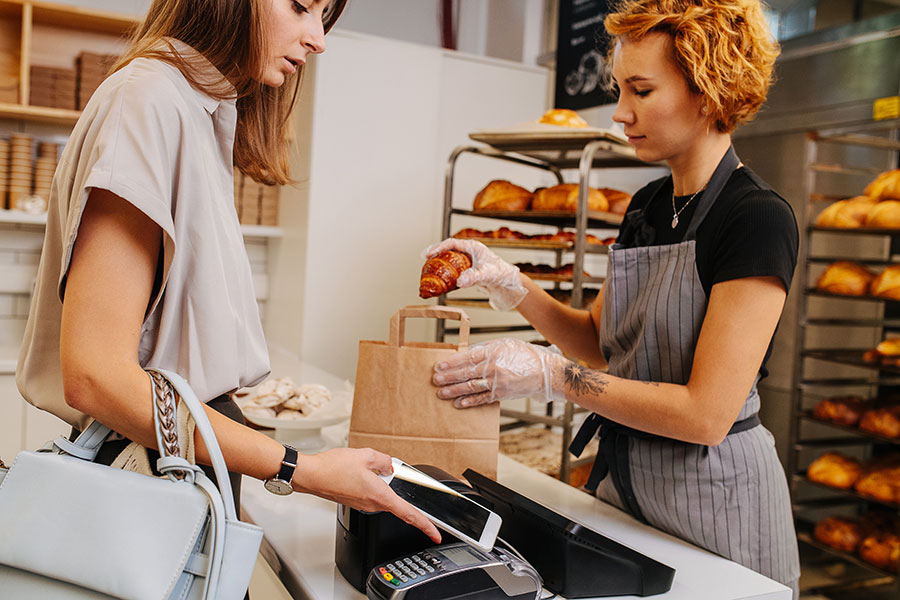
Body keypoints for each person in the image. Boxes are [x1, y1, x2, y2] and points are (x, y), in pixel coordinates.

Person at [16, 0, 441, 557]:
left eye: (323, 18)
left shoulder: (196, 106)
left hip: (179, 468)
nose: (318, 39)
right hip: (146, 480)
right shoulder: (149, 100)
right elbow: (96, 377)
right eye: (300, 7)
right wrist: (302, 469)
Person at [427, 0, 800, 592]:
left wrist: (552, 376)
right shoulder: (646, 208)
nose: (621, 112)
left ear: (708, 92)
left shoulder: (756, 219)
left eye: (641, 91)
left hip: (719, 501)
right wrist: (510, 282)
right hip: (626, 490)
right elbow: (598, 345)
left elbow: (706, 415)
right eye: (619, 88)